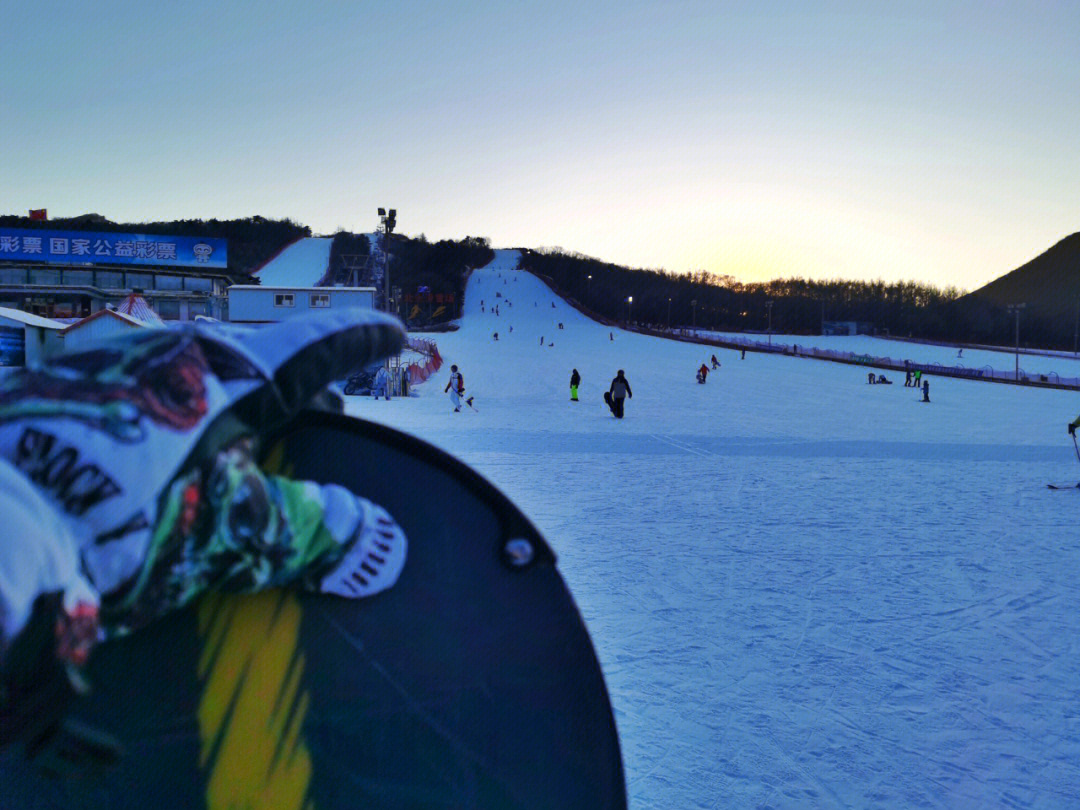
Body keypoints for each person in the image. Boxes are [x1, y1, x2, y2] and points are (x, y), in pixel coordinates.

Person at [0, 310, 409, 760]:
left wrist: (347, 536)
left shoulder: (127, 549)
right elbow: (251, 527)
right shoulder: (128, 547)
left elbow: (254, 528)